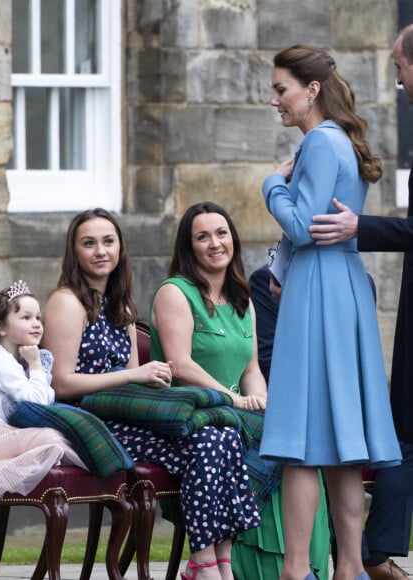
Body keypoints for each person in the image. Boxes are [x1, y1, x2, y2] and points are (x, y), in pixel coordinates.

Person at [42, 207, 262, 580]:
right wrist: (134, 375)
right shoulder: (67, 302)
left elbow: (133, 382)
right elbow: (61, 384)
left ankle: (220, 561)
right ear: (74, 252)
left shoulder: (121, 305)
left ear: (120, 249)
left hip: (125, 415)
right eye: (89, 243)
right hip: (89, 422)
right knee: (207, 440)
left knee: (222, 434)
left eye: (109, 242)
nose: (101, 251)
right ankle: (205, 563)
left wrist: (148, 379)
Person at [259, 44, 402, 580]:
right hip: (344, 286)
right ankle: (348, 569)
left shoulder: (319, 142)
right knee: (343, 441)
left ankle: (295, 571)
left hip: (319, 287)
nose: (276, 100)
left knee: (300, 441)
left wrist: (273, 184)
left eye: (281, 90)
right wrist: (281, 268)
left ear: (311, 90)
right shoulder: (340, 141)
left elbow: (303, 227)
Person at [149, 202, 330, 580]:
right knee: (261, 442)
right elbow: (180, 364)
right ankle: (251, 566)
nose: (215, 243)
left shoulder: (241, 298)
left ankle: (299, 566)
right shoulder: (175, 292)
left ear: (233, 239)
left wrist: (261, 400)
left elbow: (251, 370)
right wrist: (234, 399)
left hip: (236, 412)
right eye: (202, 236)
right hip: (192, 413)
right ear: (188, 246)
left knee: (294, 439)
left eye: (221, 233)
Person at [308, 24, 413, 580]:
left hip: (347, 285)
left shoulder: (322, 142)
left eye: (400, 68)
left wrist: (358, 227)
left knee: (401, 437)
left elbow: (307, 226)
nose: (397, 80)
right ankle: (368, 555)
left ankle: (364, 555)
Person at [0, 281, 87, 508]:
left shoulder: (14, 361)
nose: (36, 325)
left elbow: (45, 399)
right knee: (51, 439)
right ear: (1, 327)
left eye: (38, 318)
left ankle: (95, 471)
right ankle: (92, 470)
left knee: (59, 435)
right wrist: (35, 364)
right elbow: (37, 402)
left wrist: (33, 365)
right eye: (26, 318)